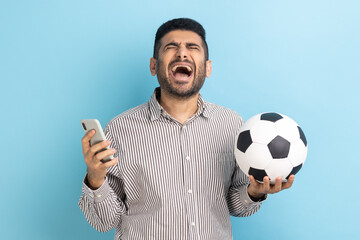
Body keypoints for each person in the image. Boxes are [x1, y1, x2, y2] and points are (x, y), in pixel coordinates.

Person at [79, 18, 295, 240]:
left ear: (207, 68)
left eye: (192, 47)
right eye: (171, 47)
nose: (182, 54)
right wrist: (95, 179)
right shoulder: (120, 128)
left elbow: (234, 205)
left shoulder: (231, 124)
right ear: (154, 66)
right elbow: (104, 222)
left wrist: (254, 193)